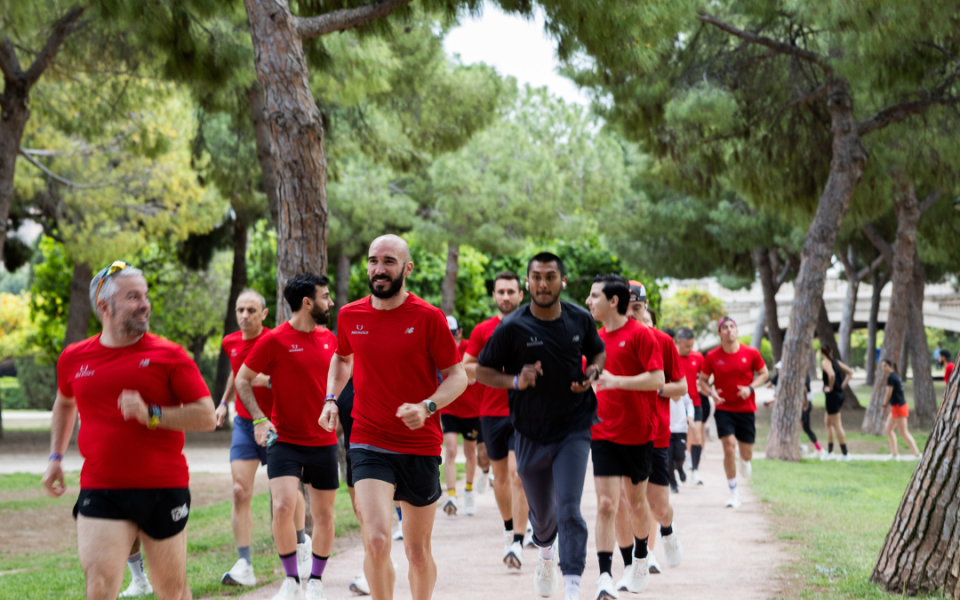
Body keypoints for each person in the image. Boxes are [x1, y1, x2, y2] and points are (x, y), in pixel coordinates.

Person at [42, 261, 216, 600]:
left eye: (145, 296)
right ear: (104, 306)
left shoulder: (169, 355)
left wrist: (151, 414)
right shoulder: (74, 358)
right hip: (101, 487)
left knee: (172, 591)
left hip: (163, 487)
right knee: (99, 587)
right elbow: (64, 403)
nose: (144, 304)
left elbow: (207, 416)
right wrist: (55, 458)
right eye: (133, 297)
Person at [321, 234, 467, 600]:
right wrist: (331, 399)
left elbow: (458, 376)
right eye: (373, 261)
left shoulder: (428, 317)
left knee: (417, 553)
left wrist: (427, 406)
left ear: (407, 268)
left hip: (419, 444)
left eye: (389, 261)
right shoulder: (350, 315)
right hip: (369, 439)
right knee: (375, 541)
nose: (379, 269)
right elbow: (341, 357)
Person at [476, 253, 605, 600]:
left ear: (562, 281)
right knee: (544, 517)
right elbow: (482, 371)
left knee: (569, 507)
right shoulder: (512, 327)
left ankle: (573, 586)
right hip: (529, 430)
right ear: (528, 282)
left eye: (550, 277)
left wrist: (592, 373)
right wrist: (516, 380)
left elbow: (597, 352)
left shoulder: (579, 318)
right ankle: (545, 551)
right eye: (536, 277)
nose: (543, 284)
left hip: (574, 426)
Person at [236, 273, 339, 600]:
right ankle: (291, 580)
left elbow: (345, 375)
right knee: (281, 506)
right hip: (285, 440)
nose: (330, 302)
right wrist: (259, 419)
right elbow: (242, 379)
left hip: (323, 441)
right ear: (307, 303)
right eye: (325, 296)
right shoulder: (274, 339)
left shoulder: (331, 339)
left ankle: (316, 581)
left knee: (324, 515)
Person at [216, 289, 312, 587]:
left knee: (287, 492)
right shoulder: (230, 342)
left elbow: (297, 375)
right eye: (240, 310)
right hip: (245, 425)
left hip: (276, 426)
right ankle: (244, 564)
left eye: (251, 311)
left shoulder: (275, 340)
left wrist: (268, 380)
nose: (244, 316)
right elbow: (236, 373)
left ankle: (300, 542)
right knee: (238, 491)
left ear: (264, 314)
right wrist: (223, 402)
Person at [585, 274, 664, 598]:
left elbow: (657, 379)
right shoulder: (593, 340)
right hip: (602, 431)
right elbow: (589, 378)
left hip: (638, 432)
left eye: (594, 296)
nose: (588, 302)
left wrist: (618, 381)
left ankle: (641, 557)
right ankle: (605, 575)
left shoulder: (642, 335)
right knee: (606, 504)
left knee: (635, 503)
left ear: (613, 301)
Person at [462, 271, 532, 569]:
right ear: (494, 296)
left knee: (519, 475)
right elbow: (466, 366)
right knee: (500, 478)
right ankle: (509, 530)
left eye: (511, 291)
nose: (505, 296)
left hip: (524, 412)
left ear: (520, 295)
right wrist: (495, 372)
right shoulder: (482, 330)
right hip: (491, 413)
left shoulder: (532, 325)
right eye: (500, 292)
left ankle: (518, 540)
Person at [621, 281, 687, 577]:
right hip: (620, 435)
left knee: (657, 506)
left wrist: (655, 387)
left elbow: (681, 388)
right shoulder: (607, 340)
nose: (632, 315)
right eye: (627, 308)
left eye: (637, 308)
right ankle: (639, 558)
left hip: (656, 435)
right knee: (626, 502)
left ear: (645, 307)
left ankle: (668, 530)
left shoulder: (662, 341)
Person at [699, 316, 769, 509]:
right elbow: (702, 381)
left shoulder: (751, 352)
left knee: (746, 454)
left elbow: (764, 373)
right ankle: (733, 492)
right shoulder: (712, 356)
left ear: (737, 331)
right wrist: (711, 393)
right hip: (724, 409)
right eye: (725, 327)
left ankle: (745, 461)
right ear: (719, 333)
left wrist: (750, 388)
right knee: (729, 448)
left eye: (732, 326)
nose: (729, 330)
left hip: (746, 409)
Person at [440, 315, 483, 517]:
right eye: (446, 333)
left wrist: (473, 376)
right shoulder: (440, 348)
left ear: (459, 332)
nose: (450, 336)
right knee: (450, 450)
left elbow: (479, 371)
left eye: (453, 333)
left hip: (471, 409)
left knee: (470, 453)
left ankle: (468, 490)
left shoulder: (470, 348)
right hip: (449, 407)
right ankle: (451, 496)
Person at [336, 378, 371, 595]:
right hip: (353, 454)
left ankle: (372, 569)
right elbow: (339, 425)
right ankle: (378, 561)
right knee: (360, 513)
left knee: (366, 512)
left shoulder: (371, 375)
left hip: (375, 454)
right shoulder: (342, 382)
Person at [765, 362, 821, 456]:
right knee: (803, 428)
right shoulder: (789, 377)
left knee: (796, 428)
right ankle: (815, 448)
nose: (778, 371)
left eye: (779, 369)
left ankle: (803, 448)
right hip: (802, 404)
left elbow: (804, 390)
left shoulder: (792, 376)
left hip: (801, 405)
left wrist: (805, 403)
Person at [674, 328, 705, 484]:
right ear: (678, 342)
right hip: (677, 403)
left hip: (695, 402)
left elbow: (704, 376)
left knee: (696, 435)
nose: (690, 349)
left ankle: (695, 472)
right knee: (679, 439)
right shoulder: (671, 355)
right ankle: (679, 468)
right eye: (687, 346)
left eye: (692, 345)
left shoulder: (697, 356)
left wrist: (704, 386)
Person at [881, 359, 921, 460]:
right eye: (882, 366)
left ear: (890, 366)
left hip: (899, 407)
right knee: (888, 429)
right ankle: (894, 454)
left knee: (903, 432)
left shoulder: (891, 377)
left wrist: (884, 406)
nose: (883, 368)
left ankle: (917, 455)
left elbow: (888, 393)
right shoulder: (894, 376)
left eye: (885, 366)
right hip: (895, 407)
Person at [821, 346, 853, 461]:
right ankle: (830, 452)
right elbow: (850, 372)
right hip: (838, 395)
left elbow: (831, 375)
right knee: (827, 423)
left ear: (821, 353)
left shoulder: (825, 362)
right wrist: (841, 386)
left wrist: (831, 388)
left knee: (837, 425)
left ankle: (845, 454)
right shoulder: (836, 362)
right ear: (831, 351)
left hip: (832, 397)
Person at [668, 391, 695, 493]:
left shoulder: (681, 390)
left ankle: (680, 468)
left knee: (679, 455)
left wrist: (690, 417)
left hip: (681, 429)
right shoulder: (662, 389)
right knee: (668, 459)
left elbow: (689, 403)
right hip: (667, 428)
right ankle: (673, 483)